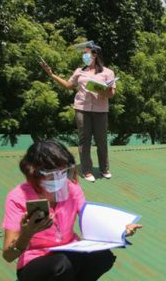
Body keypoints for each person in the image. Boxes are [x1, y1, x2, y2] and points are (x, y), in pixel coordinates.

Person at [1, 140, 142, 281]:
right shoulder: (18, 197)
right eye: (52, 174)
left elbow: (92, 221)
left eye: (63, 171)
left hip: (71, 251)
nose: (60, 178)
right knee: (62, 264)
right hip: (36, 263)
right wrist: (28, 232)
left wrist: (120, 230)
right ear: (33, 172)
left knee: (104, 257)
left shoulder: (71, 188)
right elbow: (8, 255)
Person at [41, 41, 115, 183]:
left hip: (101, 110)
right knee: (84, 140)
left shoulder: (108, 72)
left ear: (95, 55)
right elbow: (69, 85)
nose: (84, 56)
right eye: (83, 54)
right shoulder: (79, 71)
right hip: (81, 108)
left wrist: (106, 91)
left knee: (101, 140)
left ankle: (104, 169)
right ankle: (86, 171)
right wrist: (51, 75)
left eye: (86, 53)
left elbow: (112, 94)